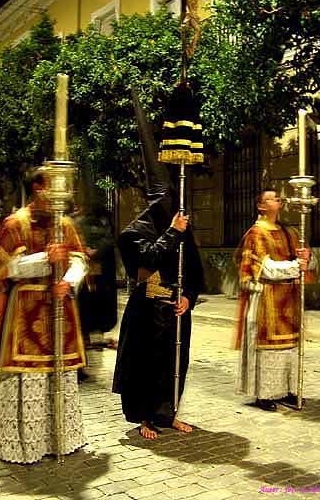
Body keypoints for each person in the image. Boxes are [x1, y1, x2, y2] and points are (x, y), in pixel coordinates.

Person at [112, 92, 204, 440]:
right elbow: (147, 258)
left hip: (177, 307)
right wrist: (172, 233)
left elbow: (194, 268)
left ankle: (169, 414)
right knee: (146, 367)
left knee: (174, 364)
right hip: (148, 306)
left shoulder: (181, 226)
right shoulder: (132, 232)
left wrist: (189, 297)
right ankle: (146, 418)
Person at [0, 167, 89, 463]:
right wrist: (45, 259)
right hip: (24, 313)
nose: (58, 195)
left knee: (61, 378)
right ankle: (22, 445)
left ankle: (62, 440)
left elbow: (79, 259)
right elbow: (2, 268)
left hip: (60, 308)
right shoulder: (14, 223)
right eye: (51, 188)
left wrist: (69, 280)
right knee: (26, 380)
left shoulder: (65, 224)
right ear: (37, 188)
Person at [234, 190, 310, 411]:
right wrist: (297, 266)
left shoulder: (289, 232)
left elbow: (305, 262)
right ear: (260, 206)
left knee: (291, 347)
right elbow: (265, 268)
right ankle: (264, 394)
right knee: (267, 349)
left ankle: (288, 390)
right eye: (270, 198)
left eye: (278, 197)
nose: (277, 200)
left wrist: (306, 259)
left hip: (289, 299)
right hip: (266, 298)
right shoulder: (256, 234)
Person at [74, 203, 118, 350]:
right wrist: (84, 250)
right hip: (85, 269)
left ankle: (98, 335)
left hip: (101, 270)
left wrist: (95, 251)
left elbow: (109, 241)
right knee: (86, 302)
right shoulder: (78, 221)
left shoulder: (103, 222)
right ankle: (85, 336)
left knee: (101, 302)